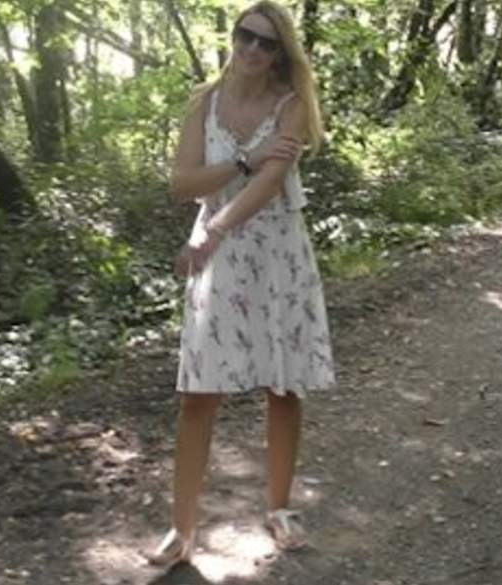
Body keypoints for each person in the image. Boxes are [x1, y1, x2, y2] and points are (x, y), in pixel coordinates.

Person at [144, 0, 335, 568]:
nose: (252, 48)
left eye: (266, 42)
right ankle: (182, 530)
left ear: (281, 54)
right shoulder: (204, 102)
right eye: (245, 35)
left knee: (283, 384)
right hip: (219, 255)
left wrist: (214, 231)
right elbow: (183, 184)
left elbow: (270, 185)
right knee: (199, 392)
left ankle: (279, 508)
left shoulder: (291, 105)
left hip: (276, 249)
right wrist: (245, 159)